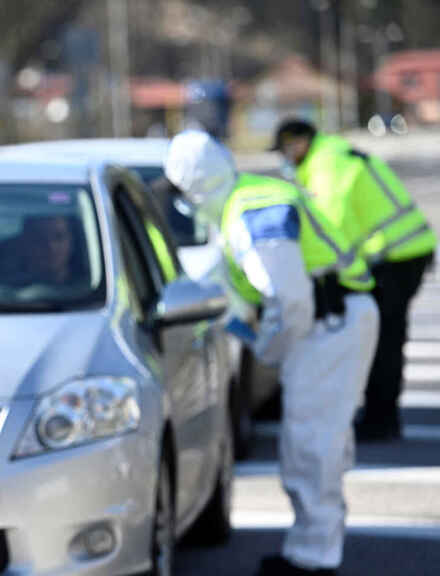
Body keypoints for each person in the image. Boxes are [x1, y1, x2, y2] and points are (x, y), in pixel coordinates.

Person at [164, 131, 379, 576]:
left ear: (195, 189)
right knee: (316, 442)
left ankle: (314, 560)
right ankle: (312, 549)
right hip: (329, 322)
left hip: (327, 324)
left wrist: (270, 350)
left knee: (312, 444)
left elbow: (290, 298)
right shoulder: (243, 202)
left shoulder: (251, 211)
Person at [273, 119, 437, 441]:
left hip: (396, 257)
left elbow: (331, 229)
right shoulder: (331, 155)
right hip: (403, 252)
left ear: (299, 142)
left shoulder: (327, 165)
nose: (284, 159)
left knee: (384, 340)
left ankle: (382, 420)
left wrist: (327, 276)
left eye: (285, 150)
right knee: (384, 337)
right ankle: (380, 414)